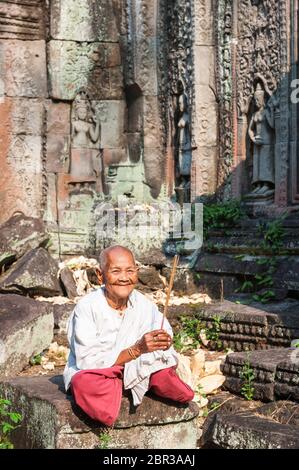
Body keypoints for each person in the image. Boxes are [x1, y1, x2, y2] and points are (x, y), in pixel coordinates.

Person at [63, 245, 194, 426]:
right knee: (83, 382)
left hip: (136, 365)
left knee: (164, 370)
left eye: (130, 271)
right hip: (99, 371)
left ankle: (136, 381)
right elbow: (87, 360)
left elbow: (164, 335)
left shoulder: (144, 304)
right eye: (116, 271)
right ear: (100, 275)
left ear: (137, 272)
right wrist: (137, 349)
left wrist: (164, 341)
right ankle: (134, 383)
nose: (124, 278)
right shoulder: (87, 307)